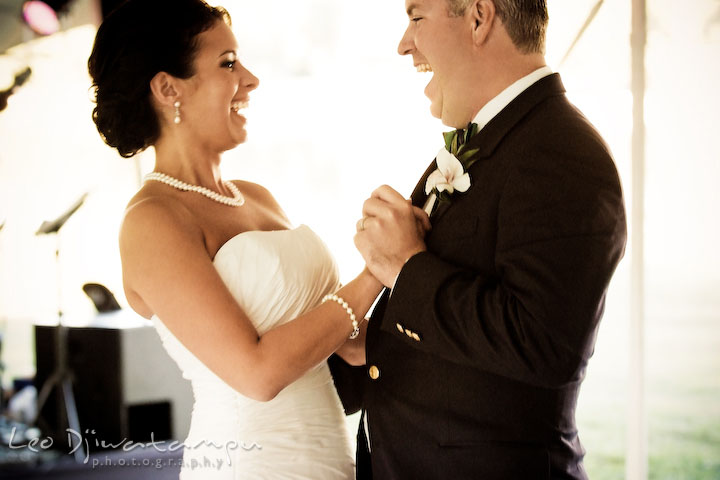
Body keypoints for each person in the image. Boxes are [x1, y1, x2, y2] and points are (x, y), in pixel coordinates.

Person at [87, 1, 428, 478]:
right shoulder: (152, 221)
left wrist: (441, 309)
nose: (250, 79)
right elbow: (258, 372)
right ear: (168, 89)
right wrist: (375, 270)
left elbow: (346, 344)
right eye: (228, 63)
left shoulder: (256, 196)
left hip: (333, 460)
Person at [342, 0, 627, 478]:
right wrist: (366, 342)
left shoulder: (560, 150)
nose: (403, 44)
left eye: (415, 18)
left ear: (478, 17)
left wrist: (406, 270)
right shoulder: (486, 145)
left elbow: (544, 344)